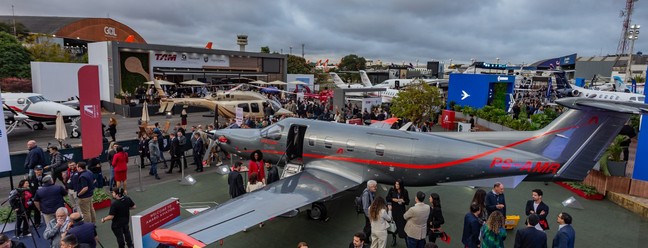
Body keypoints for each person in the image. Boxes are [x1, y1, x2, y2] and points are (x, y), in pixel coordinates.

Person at [385, 179, 409, 246]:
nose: (396, 185)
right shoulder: (392, 190)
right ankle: (394, 239)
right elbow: (387, 198)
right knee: (393, 226)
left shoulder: (405, 191)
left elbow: (407, 201)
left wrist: (403, 201)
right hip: (394, 211)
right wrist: (393, 199)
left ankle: (407, 241)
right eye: (395, 184)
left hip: (401, 212)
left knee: (403, 227)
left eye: (398, 184)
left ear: (401, 185)